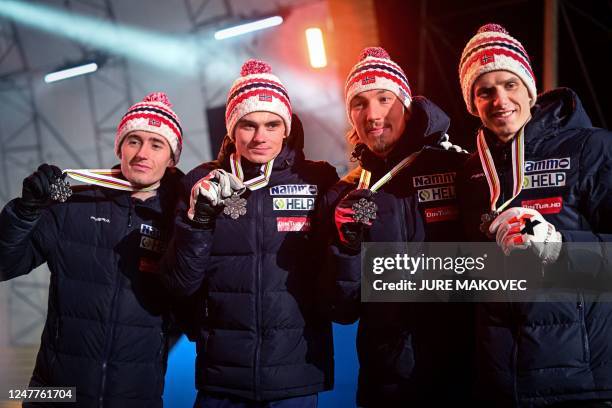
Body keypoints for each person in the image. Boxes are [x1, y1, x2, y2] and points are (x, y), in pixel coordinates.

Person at [161, 60, 339, 407]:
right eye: (248, 125)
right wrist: (198, 223)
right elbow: (180, 284)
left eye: (272, 124)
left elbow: (338, 285)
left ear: (286, 128)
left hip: (295, 378)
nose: (260, 137)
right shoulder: (202, 182)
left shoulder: (317, 180)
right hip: (222, 379)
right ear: (232, 129)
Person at [456, 23, 612, 406]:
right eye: (484, 91)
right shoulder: (472, 170)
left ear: (530, 88)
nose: (500, 100)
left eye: (510, 84)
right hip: (500, 382)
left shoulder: (589, 148)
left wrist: (560, 245)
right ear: (472, 103)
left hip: (579, 381)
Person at [0, 92, 184, 407]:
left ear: (171, 159)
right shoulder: (74, 202)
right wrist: (25, 210)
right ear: (120, 147)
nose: (142, 153)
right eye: (134, 141)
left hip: (135, 398)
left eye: (157, 144)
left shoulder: (181, 219)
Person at [326, 47, 472, 406]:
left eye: (384, 99)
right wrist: (346, 248)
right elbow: (341, 310)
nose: (372, 114)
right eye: (359, 104)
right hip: (388, 380)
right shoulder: (347, 193)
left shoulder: (460, 168)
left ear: (407, 105)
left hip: (465, 372)